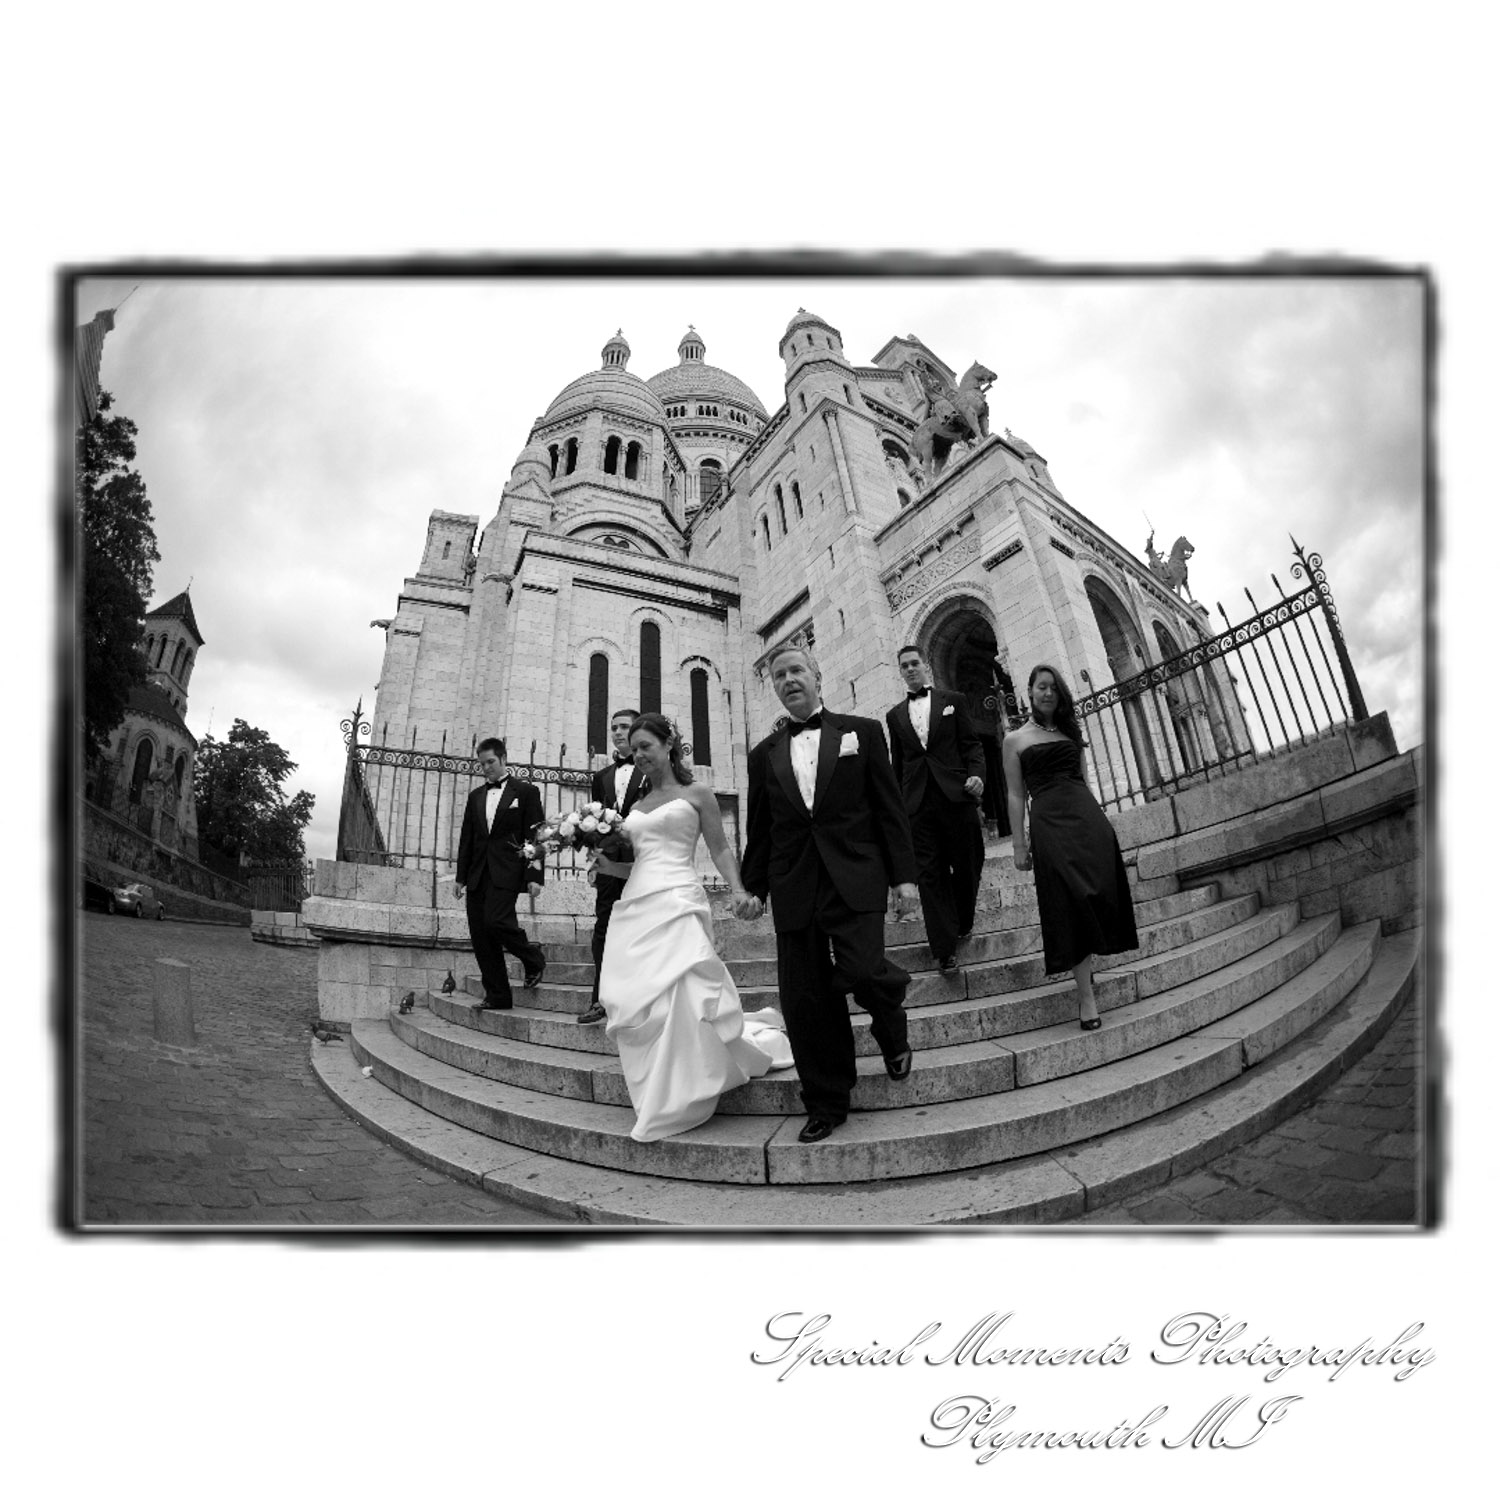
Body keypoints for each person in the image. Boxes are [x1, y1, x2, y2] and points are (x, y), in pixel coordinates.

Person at [738, 643, 921, 1144]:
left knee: (863, 969)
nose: (789, 679)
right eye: (779, 675)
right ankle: (826, 1101)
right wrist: (752, 887)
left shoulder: (862, 732)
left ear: (818, 675)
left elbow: (888, 807)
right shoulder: (763, 755)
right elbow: (762, 828)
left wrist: (903, 877)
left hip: (855, 874)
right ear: (774, 686)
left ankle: (891, 1026)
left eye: (797, 670)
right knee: (806, 1000)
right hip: (794, 883)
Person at [593, 713, 793, 1142]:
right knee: (641, 998)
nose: (640, 754)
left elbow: (719, 849)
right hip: (639, 904)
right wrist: (611, 866)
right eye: (635, 747)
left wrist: (738, 889)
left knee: (683, 992)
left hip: (680, 900)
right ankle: (657, 1087)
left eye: (646, 745)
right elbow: (641, 861)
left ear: (669, 745)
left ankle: (685, 1087)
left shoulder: (696, 792)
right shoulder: (636, 807)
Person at [1002, 664, 1138, 1030]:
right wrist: (1019, 843)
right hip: (1048, 823)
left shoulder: (1070, 732)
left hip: (1085, 817)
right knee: (1068, 901)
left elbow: (1084, 780)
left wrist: (1101, 823)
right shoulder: (1014, 740)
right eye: (1042, 687)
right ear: (1029, 691)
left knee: (1097, 894)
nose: (1048, 693)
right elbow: (1016, 794)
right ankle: (1086, 997)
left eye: (1054, 689)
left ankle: (1088, 971)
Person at [885, 643, 986, 973]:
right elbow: (898, 763)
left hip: (956, 795)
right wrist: (900, 806)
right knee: (930, 876)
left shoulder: (953, 702)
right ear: (900, 672)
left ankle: (962, 918)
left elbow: (971, 745)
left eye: (915, 663)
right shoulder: (895, 716)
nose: (911, 669)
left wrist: (976, 776)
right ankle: (944, 951)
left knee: (970, 862)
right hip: (917, 805)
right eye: (905, 666)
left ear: (926, 665)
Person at [453, 737, 547, 1011]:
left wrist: (534, 875)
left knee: (496, 922)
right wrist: (461, 877)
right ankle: (498, 996)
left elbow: (537, 835)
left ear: (504, 758)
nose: (486, 768)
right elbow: (467, 839)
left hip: (508, 871)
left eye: (491, 762)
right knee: (481, 936)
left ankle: (534, 958)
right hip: (477, 874)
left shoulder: (526, 792)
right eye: (482, 764)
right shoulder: (475, 797)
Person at [576, 707, 647, 1027]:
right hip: (607, 867)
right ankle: (599, 1000)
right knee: (603, 930)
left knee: (642, 930)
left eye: (624, 727)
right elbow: (594, 823)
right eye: (614, 728)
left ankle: (639, 997)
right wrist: (593, 863)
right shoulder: (601, 777)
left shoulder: (652, 771)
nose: (618, 733)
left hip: (642, 865)